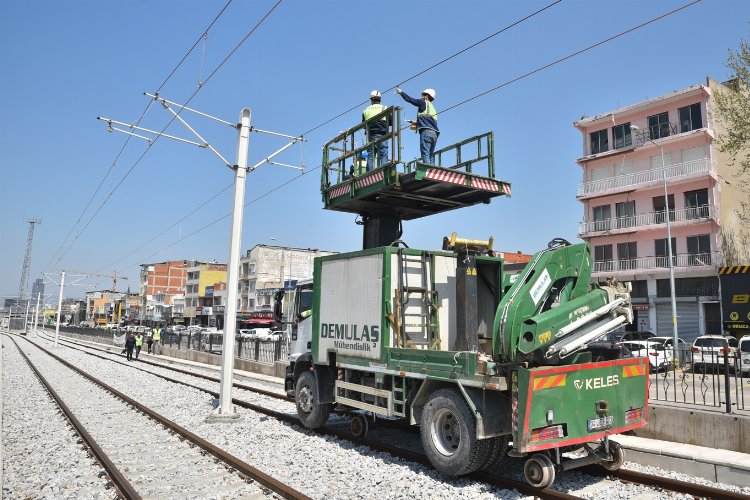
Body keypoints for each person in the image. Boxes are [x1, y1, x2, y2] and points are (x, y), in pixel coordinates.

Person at [395, 87, 439, 165]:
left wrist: (401, 92)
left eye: (423, 95)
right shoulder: (433, 108)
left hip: (426, 132)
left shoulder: (423, 102)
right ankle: (432, 171)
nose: (422, 97)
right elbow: (429, 121)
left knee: (425, 154)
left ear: (427, 96)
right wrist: (415, 122)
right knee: (430, 155)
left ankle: (428, 172)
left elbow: (410, 100)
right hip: (434, 134)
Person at [362, 90, 389, 170]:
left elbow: (363, 125)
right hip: (382, 135)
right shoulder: (385, 108)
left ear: (371, 100)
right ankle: (384, 171)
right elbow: (390, 121)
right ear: (380, 99)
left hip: (370, 136)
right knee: (383, 154)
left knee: (371, 155)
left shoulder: (366, 110)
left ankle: (370, 173)